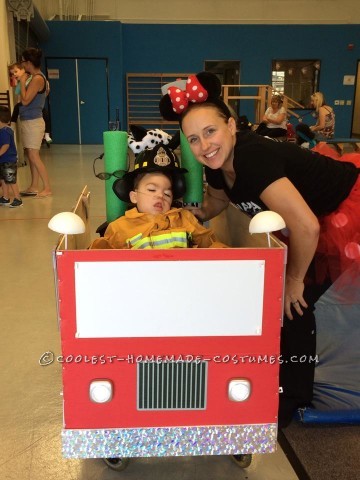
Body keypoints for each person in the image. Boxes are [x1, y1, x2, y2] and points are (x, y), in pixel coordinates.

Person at [159, 71, 360, 425]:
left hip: (341, 208)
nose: (204, 146)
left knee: (295, 301)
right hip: (309, 218)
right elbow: (215, 204)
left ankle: (292, 398)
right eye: (193, 139)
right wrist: (184, 211)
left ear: (232, 126)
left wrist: (294, 279)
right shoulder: (217, 166)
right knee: (289, 300)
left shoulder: (252, 158)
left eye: (210, 132)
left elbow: (307, 225)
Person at [90, 143, 227, 250]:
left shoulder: (184, 219)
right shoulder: (119, 228)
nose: (160, 196)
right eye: (151, 189)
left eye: (167, 194)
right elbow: (100, 258)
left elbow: (209, 243)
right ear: (134, 196)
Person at [18, 48, 52, 198]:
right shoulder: (35, 77)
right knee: (30, 155)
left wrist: (23, 81)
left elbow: (25, 101)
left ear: (29, 62)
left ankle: (47, 187)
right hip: (28, 120)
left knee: (33, 155)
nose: (22, 65)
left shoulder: (37, 78)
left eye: (23, 62)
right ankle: (34, 186)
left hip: (33, 121)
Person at [8, 62, 52, 145]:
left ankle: (47, 133)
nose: (14, 74)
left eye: (16, 71)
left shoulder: (33, 78)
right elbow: (20, 98)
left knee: (46, 115)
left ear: (23, 70)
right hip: (26, 109)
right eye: (12, 74)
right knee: (17, 107)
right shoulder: (20, 84)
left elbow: (40, 92)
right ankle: (12, 125)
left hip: (34, 108)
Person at [0, 106, 22, 207]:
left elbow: (6, 145)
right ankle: (5, 197)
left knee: (11, 180)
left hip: (8, 161)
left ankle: (18, 199)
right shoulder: (4, 130)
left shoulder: (5, 131)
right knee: (3, 179)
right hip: (3, 161)